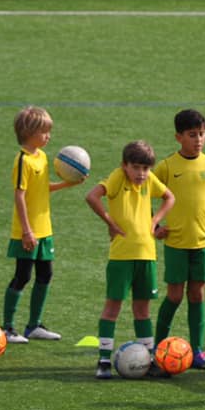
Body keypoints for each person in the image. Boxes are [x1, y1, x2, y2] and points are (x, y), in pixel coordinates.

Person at [85, 140, 175, 379]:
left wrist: (155, 221)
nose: (141, 174)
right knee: (112, 307)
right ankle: (104, 360)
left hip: (146, 254)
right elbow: (92, 196)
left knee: (142, 310)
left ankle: (149, 358)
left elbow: (169, 197)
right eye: (136, 167)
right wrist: (110, 223)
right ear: (124, 166)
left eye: (146, 168)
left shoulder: (149, 181)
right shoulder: (117, 178)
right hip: (122, 256)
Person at [153, 109, 205, 370]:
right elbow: (144, 194)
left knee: (197, 294)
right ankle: (158, 347)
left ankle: (198, 352)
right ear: (178, 137)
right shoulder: (166, 167)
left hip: (201, 242)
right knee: (175, 296)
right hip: (176, 242)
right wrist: (154, 225)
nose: (198, 139)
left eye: (201, 134)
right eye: (192, 135)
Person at [1, 106, 83, 344]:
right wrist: (26, 231)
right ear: (29, 132)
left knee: (46, 274)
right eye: (44, 132)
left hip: (45, 229)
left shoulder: (42, 157)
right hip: (27, 231)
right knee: (23, 276)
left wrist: (69, 184)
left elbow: (43, 188)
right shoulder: (23, 160)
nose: (48, 136)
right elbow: (20, 195)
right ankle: (7, 327)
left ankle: (33, 326)